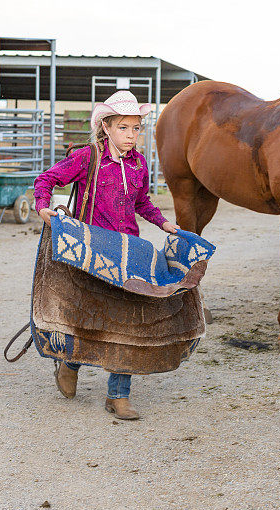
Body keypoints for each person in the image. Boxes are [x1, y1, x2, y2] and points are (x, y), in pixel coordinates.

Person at [33, 90, 180, 421]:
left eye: (136, 128)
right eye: (124, 128)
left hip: (129, 253)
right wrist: (43, 207)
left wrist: (164, 223)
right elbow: (47, 179)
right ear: (106, 128)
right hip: (93, 252)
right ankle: (70, 364)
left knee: (126, 321)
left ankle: (118, 395)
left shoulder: (139, 164)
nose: (131, 135)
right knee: (92, 320)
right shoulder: (89, 158)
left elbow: (141, 202)